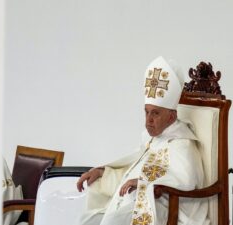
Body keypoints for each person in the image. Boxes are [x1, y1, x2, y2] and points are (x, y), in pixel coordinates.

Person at [76, 56, 209, 225]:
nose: (148, 120)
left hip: (163, 208)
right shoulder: (152, 140)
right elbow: (132, 170)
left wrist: (145, 183)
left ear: (171, 116)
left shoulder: (182, 144)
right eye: (146, 112)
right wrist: (102, 172)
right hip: (135, 201)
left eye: (155, 113)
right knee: (87, 220)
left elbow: (188, 180)